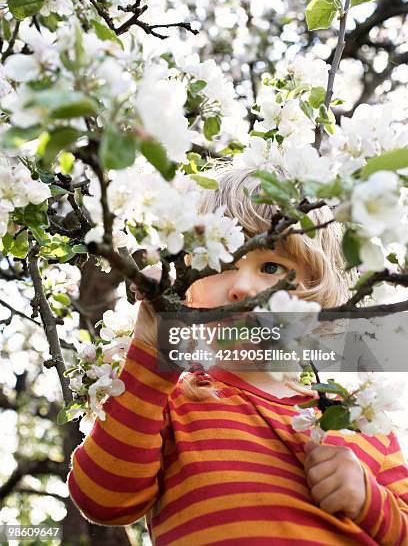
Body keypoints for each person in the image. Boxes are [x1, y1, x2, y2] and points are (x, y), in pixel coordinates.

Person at [67, 165, 408, 545]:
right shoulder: (167, 405)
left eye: (272, 266)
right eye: (220, 264)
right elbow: (103, 499)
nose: (242, 287)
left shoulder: (362, 420)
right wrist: (150, 348)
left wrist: (369, 499)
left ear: (316, 294)